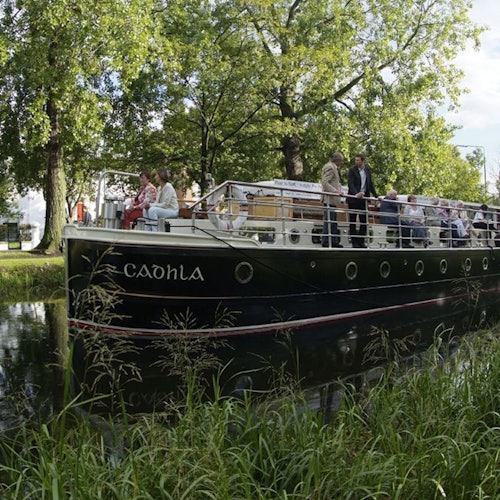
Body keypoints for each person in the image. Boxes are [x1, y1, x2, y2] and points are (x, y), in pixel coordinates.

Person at [347, 154, 378, 248]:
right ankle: (354, 242)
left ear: (363, 161)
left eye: (358, 160)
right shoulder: (352, 170)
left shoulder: (367, 170)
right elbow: (350, 183)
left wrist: (376, 196)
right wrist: (356, 194)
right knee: (352, 221)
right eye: (355, 160)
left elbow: (370, 184)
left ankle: (361, 241)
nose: (356, 162)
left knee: (364, 221)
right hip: (354, 199)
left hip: (364, 199)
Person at [143, 167, 179, 231]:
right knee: (145, 209)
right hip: (165, 209)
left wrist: (151, 205)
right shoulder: (159, 188)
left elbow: (165, 205)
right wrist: (149, 205)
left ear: (160, 176)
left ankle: (155, 231)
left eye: (156, 175)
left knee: (152, 210)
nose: (155, 177)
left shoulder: (168, 187)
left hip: (172, 210)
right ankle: (148, 230)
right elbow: (157, 203)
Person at [321, 152, 344, 248]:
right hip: (329, 199)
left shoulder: (332, 167)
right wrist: (335, 191)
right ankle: (327, 241)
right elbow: (325, 182)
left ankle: (333, 241)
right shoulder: (330, 167)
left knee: (333, 220)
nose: (341, 163)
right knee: (329, 220)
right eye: (341, 161)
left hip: (332, 199)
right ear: (337, 160)